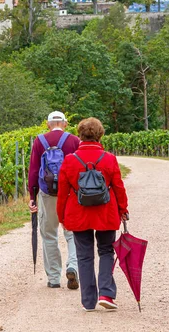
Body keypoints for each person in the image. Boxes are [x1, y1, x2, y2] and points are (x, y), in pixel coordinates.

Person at [57, 117, 129, 311]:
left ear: (79, 135)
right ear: (100, 135)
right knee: (106, 251)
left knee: (84, 255)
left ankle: (88, 301)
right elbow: (119, 188)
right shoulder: (109, 158)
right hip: (106, 212)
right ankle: (106, 293)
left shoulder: (70, 160)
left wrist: (62, 217)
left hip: (78, 213)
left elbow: (63, 192)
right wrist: (123, 209)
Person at [28, 111, 80, 289]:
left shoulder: (39, 141)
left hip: (47, 194)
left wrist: (31, 197)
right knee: (72, 234)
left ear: (48, 124)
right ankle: (73, 265)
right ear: (65, 123)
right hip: (70, 194)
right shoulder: (74, 141)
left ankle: (54, 278)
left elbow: (34, 171)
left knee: (49, 235)